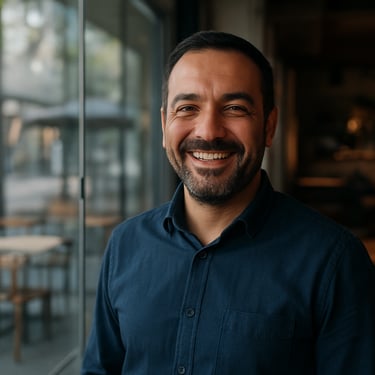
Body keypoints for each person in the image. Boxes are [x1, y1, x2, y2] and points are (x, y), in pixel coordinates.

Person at [81, 30, 375, 374]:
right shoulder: (125, 245)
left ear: (269, 126)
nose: (209, 131)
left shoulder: (334, 262)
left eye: (235, 108)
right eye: (187, 108)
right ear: (164, 125)